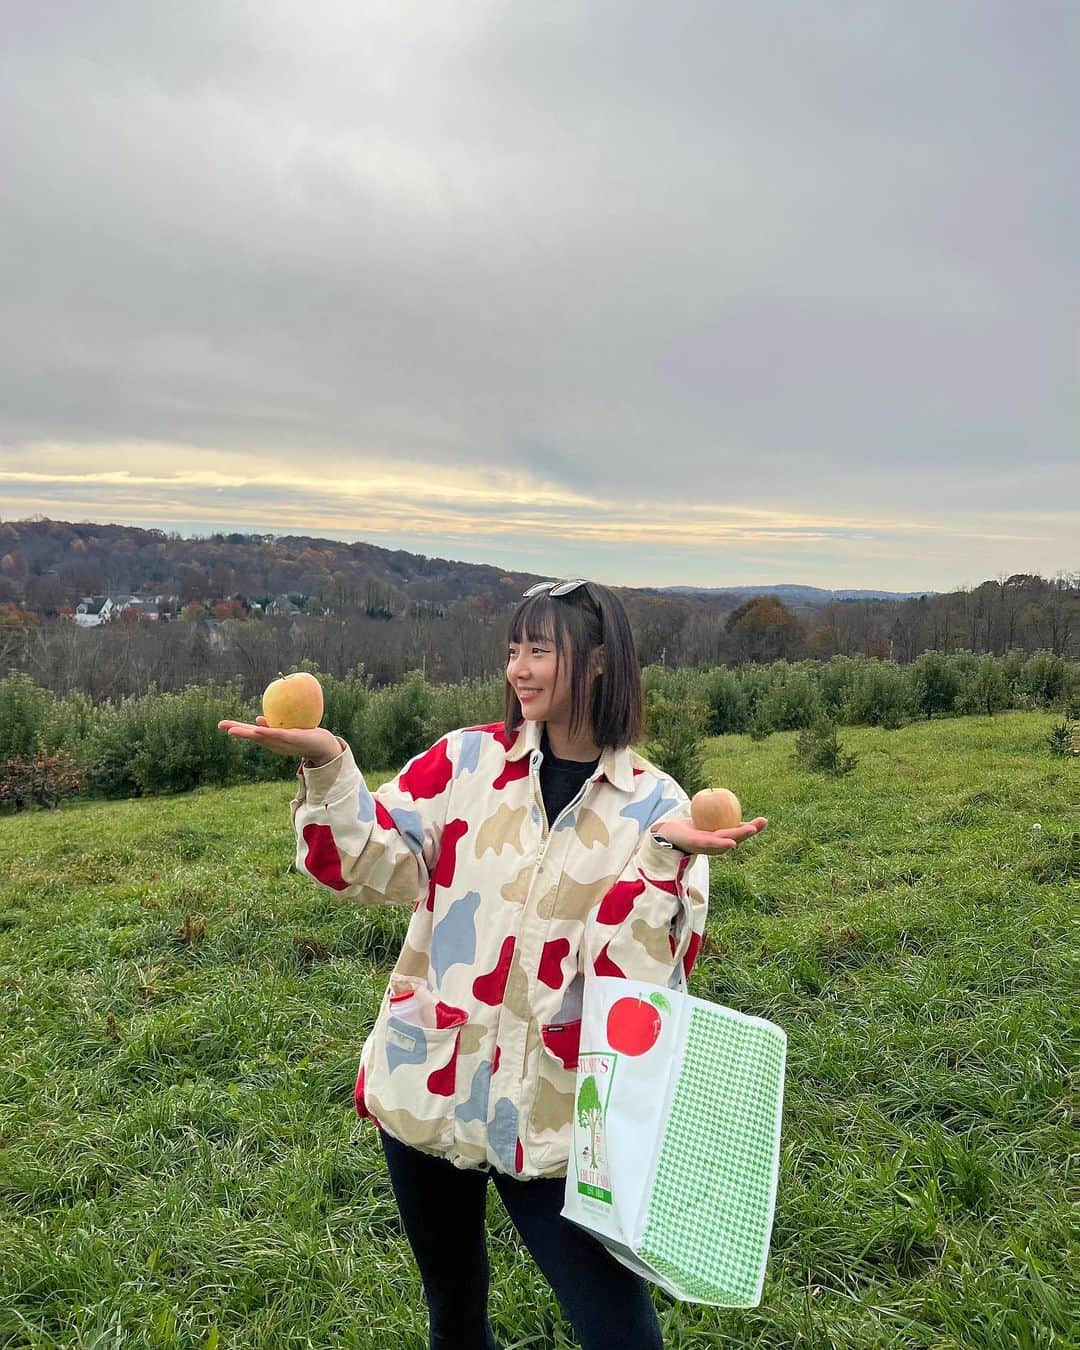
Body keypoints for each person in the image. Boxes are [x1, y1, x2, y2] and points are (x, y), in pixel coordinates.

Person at [219, 578, 767, 1349]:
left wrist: (662, 861)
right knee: (453, 1304)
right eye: (514, 649)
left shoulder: (655, 807)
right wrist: (329, 764)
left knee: (620, 1332)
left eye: (540, 649)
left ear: (601, 661)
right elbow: (365, 862)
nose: (519, 668)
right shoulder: (465, 763)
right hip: (431, 1078)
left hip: (554, 1115)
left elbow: (641, 990)